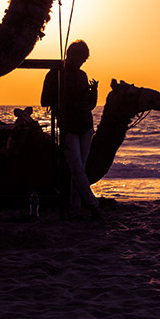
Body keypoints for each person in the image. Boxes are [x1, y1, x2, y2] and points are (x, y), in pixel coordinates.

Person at [59, 40, 101, 220]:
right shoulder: (58, 74)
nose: (81, 63)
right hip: (69, 126)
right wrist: (75, 94)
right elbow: (47, 100)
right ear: (71, 56)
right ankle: (92, 205)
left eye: (84, 60)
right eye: (79, 59)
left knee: (80, 169)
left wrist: (93, 92)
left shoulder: (83, 75)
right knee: (76, 168)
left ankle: (74, 205)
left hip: (85, 125)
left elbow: (90, 105)